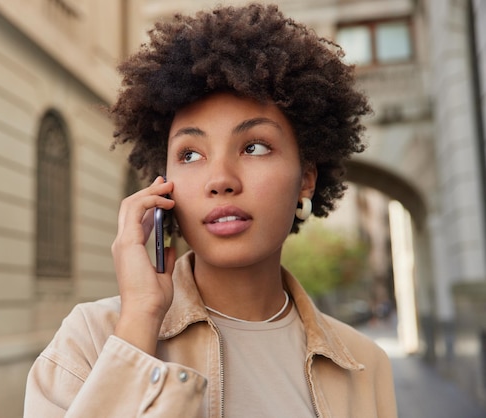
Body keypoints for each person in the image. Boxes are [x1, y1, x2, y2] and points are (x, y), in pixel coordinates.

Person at [23, 3, 397, 418]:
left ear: (306, 178)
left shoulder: (364, 365)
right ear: (162, 185)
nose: (220, 179)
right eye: (189, 154)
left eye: (254, 147)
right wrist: (140, 323)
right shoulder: (90, 339)